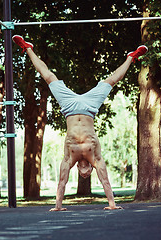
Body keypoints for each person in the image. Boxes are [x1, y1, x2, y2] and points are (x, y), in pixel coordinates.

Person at [12, 35, 148, 211]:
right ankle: (132, 57)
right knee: (111, 81)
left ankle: (27, 47)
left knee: (49, 77)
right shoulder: (96, 159)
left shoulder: (69, 159)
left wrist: (58, 206)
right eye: (87, 174)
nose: (85, 174)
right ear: (91, 171)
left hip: (68, 107)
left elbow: (62, 180)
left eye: (82, 175)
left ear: (78, 170)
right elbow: (105, 179)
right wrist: (112, 204)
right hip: (90, 106)